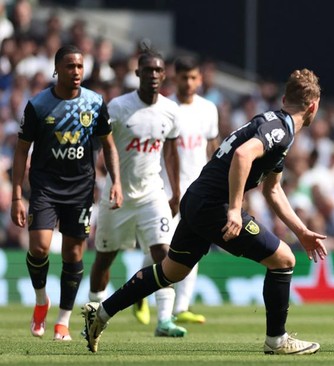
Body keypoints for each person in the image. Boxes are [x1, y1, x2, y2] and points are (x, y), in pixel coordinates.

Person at [81, 68, 328, 355]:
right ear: (313, 106)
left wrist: (302, 231)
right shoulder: (279, 130)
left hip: (196, 200)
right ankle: (276, 340)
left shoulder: (275, 126)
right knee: (283, 259)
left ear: (285, 98)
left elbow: (272, 189)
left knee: (169, 272)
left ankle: (100, 314)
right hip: (214, 206)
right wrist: (235, 209)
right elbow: (243, 155)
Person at [11, 45, 122, 341]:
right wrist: (16, 195)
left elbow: (109, 146)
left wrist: (116, 181)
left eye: (80, 67)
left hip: (80, 189)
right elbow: (21, 150)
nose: (76, 72)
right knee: (40, 248)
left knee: (74, 253)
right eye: (70, 66)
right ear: (56, 69)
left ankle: (63, 320)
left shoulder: (95, 103)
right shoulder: (38, 105)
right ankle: (40, 301)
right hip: (45, 187)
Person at [87, 43, 186, 338]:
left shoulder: (170, 110)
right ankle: (93, 313)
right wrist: (104, 180)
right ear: (137, 73)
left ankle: (164, 321)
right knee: (105, 257)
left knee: (163, 253)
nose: (153, 74)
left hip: (152, 193)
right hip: (118, 195)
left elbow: (170, 152)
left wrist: (176, 191)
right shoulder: (118, 107)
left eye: (158, 70)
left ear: (164, 75)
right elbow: (102, 146)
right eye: (147, 70)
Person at [134, 55, 219, 325]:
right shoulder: (166, 108)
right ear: (175, 77)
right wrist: (172, 189)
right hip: (168, 190)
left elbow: (212, 148)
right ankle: (139, 289)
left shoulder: (209, 109)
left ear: (200, 79)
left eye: (194, 77)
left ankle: (181, 307)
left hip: (200, 190)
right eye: (184, 77)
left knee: (195, 247)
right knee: (162, 247)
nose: (189, 83)